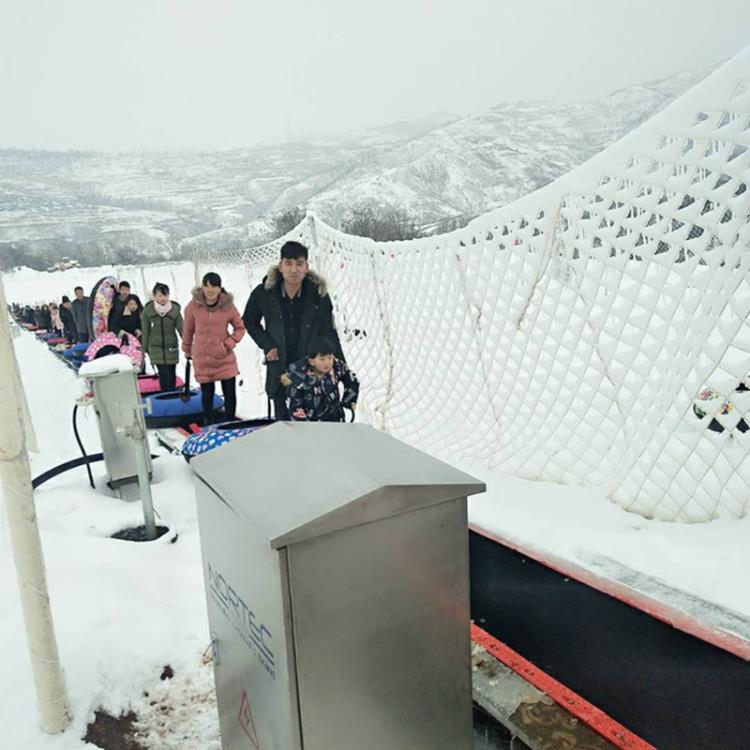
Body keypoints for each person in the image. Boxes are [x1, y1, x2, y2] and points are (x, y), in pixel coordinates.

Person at [242, 240, 345, 420]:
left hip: (311, 370)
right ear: (280, 266)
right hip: (279, 369)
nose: (294, 269)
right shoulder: (264, 293)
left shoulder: (319, 296)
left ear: (306, 267)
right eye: (288, 263)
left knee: (311, 423)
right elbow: (249, 321)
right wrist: (267, 344)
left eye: (299, 263)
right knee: (283, 423)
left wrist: (339, 364)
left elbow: (329, 331)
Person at [182, 272, 246, 425]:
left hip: (224, 357)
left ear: (220, 288)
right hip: (202, 357)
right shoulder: (193, 307)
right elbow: (188, 329)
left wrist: (228, 344)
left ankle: (230, 423)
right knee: (207, 394)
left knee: (230, 393)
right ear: (202, 287)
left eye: (214, 286)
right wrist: (187, 348)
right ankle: (208, 423)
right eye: (207, 286)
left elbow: (240, 328)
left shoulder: (228, 306)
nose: (210, 290)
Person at [281, 336, 359, 422]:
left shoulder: (337, 367)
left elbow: (352, 380)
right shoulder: (299, 374)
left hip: (335, 419)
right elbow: (294, 398)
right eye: (322, 359)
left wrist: (349, 399)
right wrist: (298, 412)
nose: (327, 362)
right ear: (312, 361)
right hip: (309, 424)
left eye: (330, 358)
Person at [141, 283, 184, 392]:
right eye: (160, 296)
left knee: (171, 371)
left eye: (165, 295)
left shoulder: (174, 310)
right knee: (163, 372)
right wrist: (144, 348)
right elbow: (145, 330)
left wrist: (187, 342)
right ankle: (166, 393)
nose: (163, 298)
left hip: (171, 346)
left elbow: (181, 328)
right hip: (155, 347)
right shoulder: (148, 311)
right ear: (154, 296)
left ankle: (172, 393)